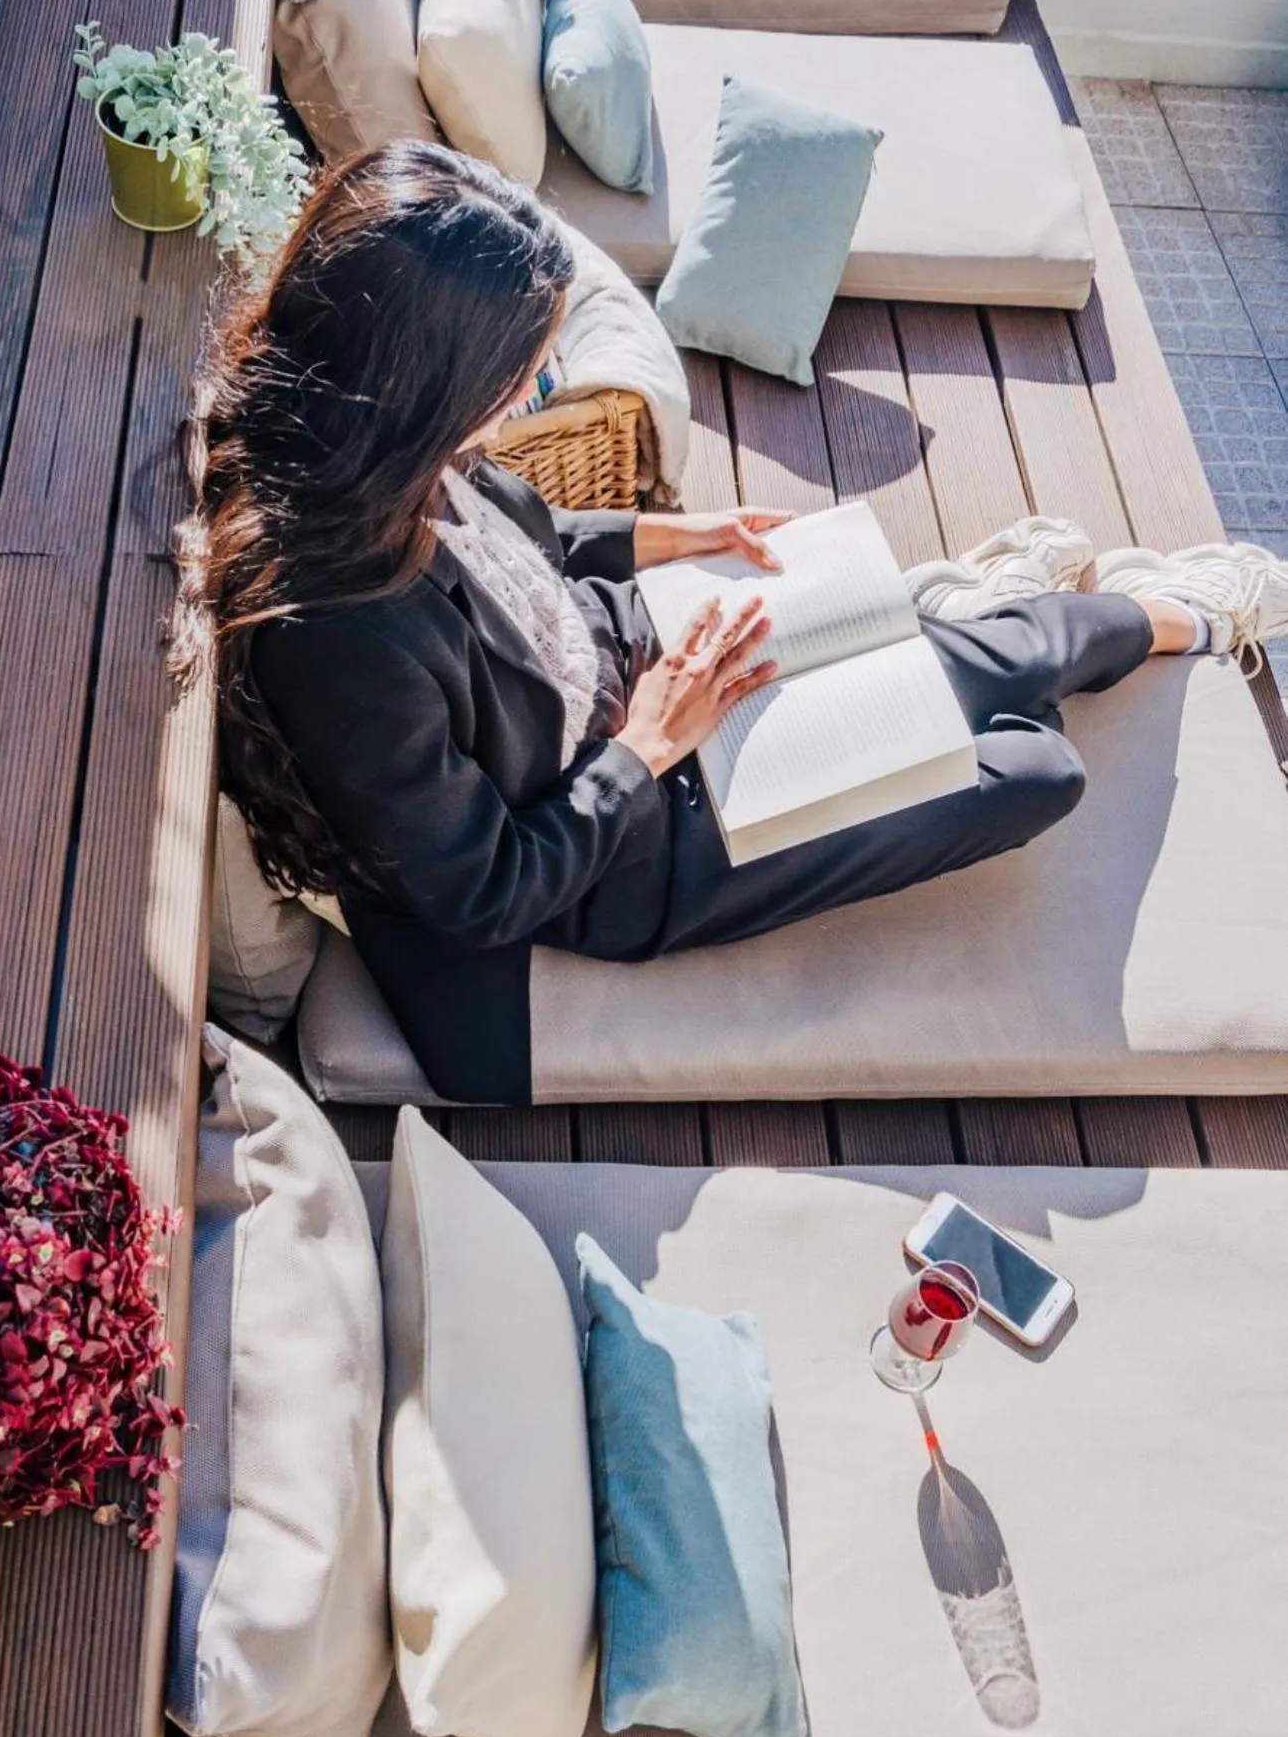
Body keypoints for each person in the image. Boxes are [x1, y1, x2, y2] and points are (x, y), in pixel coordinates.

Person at [177, 141, 1288, 1102]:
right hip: (636, 834)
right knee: (1033, 766)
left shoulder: (374, 446)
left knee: (1017, 644)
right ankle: (980, 604)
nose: (536, 392)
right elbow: (486, 887)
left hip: (640, 648)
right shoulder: (339, 634)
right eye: (524, 372)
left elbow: (526, 542)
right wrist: (651, 738)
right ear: (421, 380)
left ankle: (1166, 612)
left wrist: (673, 535)